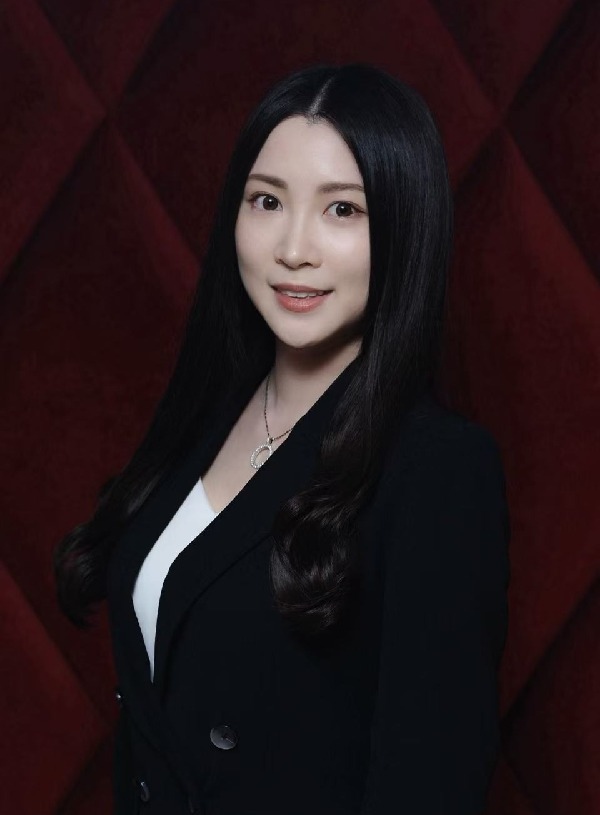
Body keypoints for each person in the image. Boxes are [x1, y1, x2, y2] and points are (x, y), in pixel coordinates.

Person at [54, 62, 511, 815]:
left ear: (406, 228)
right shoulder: (208, 413)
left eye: (343, 210)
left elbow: (429, 781)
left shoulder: (438, 470)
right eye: (267, 200)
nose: (294, 248)